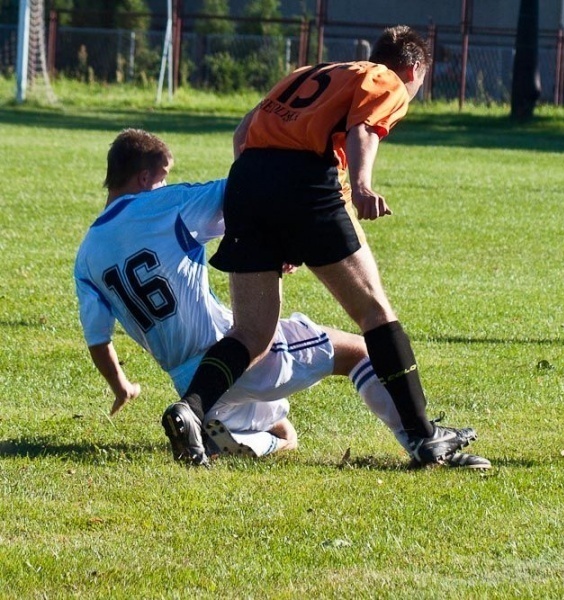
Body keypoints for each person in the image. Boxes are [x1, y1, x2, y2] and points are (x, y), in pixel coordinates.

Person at [164, 25, 484, 468]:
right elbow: (365, 129)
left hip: (247, 183)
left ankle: (192, 409)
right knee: (374, 312)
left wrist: (270, 215)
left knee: (251, 332)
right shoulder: (385, 77)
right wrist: (362, 185)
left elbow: (242, 135)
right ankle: (425, 437)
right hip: (305, 184)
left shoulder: (307, 72)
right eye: (418, 85)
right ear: (412, 69)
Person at [74, 129, 491, 469]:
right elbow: (244, 192)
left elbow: (97, 338)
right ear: (146, 178)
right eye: (162, 176)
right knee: (362, 352)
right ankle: (421, 444)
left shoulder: (87, 256)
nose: (164, 184)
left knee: (286, 434)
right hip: (233, 356)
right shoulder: (166, 203)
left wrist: (121, 385)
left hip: (187, 379)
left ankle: (220, 437)